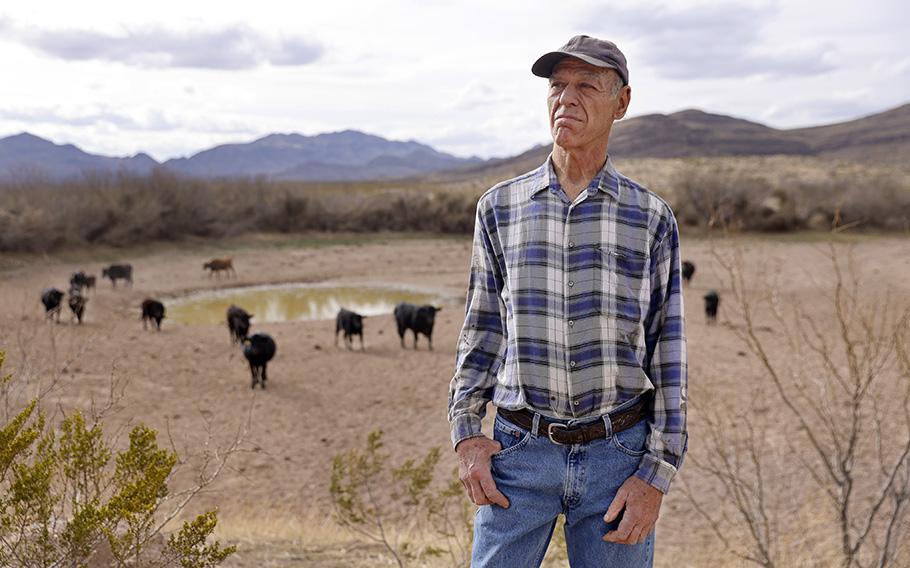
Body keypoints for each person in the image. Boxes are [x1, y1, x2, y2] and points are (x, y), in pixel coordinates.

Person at [447, 35, 687, 567]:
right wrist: (467, 435)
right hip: (518, 455)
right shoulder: (499, 208)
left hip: (618, 459)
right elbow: (481, 329)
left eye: (586, 86)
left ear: (621, 103)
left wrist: (657, 475)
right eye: (557, 85)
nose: (566, 98)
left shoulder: (651, 218)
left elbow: (668, 354)